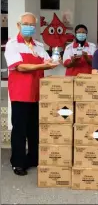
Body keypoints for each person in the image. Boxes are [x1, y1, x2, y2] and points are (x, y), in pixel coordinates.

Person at [4, 12, 59, 176]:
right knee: (20, 129)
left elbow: (48, 61)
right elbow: (19, 67)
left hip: (37, 93)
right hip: (20, 93)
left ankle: (33, 158)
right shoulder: (12, 44)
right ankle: (18, 163)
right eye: (26, 24)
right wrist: (41, 66)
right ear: (19, 25)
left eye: (32, 25)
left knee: (34, 129)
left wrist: (51, 62)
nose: (29, 27)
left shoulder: (39, 46)